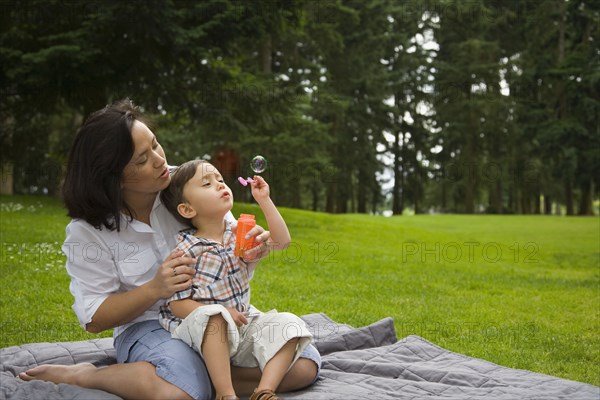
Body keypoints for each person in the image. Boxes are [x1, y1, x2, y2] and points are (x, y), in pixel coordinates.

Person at [17, 99, 321, 400]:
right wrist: (154, 288)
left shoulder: (185, 183)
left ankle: (204, 379)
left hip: (219, 314)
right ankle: (89, 375)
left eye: (155, 144)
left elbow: (230, 241)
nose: (160, 160)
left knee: (304, 365)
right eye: (141, 160)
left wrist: (255, 246)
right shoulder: (88, 231)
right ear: (112, 176)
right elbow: (95, 318)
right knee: (178, 393)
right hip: (149, 325)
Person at [159, 160, 313, 400]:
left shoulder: (240, 235)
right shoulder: (186, 250)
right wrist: (220, 310)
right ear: (187, 210)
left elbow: (282, 242)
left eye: (220, 179)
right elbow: (177, 305)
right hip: (205, 335)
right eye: (207, 183)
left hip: (243, 325)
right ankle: (225, 393)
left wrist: (264, 200)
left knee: (289, 323)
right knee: (215, 318)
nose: (220, 185)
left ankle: (264, 391)